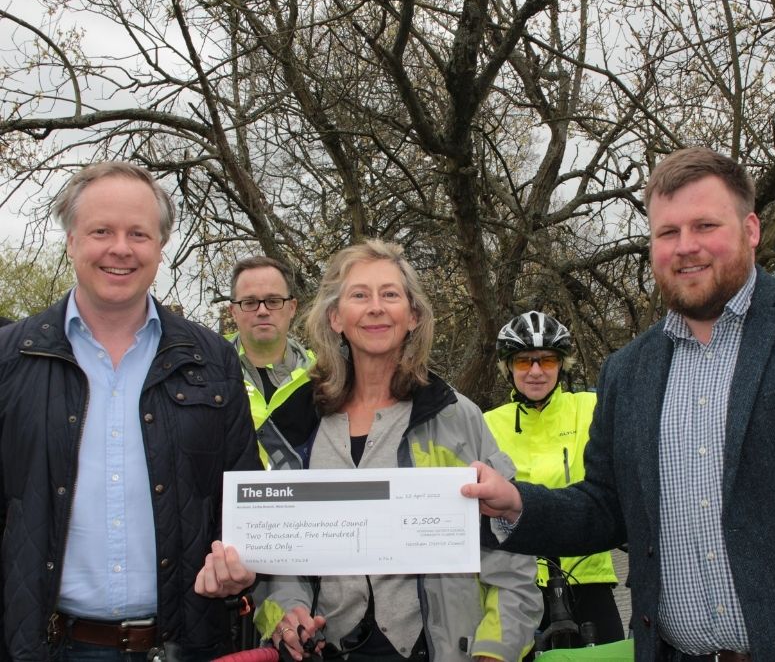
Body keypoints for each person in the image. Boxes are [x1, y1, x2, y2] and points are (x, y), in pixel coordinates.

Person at [462, 148, 775, 662]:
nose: (686, 247)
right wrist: (518, 506)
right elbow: (608, 506)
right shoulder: (628, 371)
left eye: (705, 225)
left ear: (751, 229)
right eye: (667, 233)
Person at [0, 161, 260, 661]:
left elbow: (241, 499)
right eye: (102, 231)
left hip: (185, 644)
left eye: (138, 233)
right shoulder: (12, 359)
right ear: (72, 239)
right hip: (48, 647)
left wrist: (243, 562)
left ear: (160, 249)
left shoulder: (212, 360)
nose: (121, 248)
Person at [254, 239, 541, 661]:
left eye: (390, 294)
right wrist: (287, 610)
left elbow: (510, 554)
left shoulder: (455, 418)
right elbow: (274, 555)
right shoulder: (294, 424)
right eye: (359, 295)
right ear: (335, 317)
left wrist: (494, 652)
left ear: (413, 316)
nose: (375, 307)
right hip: (327, 650)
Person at [484, 311, 622, 645]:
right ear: (508, 368)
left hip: (589, 580)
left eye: (546, 360)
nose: (535, 372)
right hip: (517, 587)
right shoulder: (487, 424)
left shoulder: (590, 407)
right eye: (523, 362)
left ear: (561, 365)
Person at [228, 256, 319, 470]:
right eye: (249, 302)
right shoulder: (207, 374)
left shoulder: (323, 377)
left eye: (273, 301)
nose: (262, 311)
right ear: (233, 311)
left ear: (292, 307)